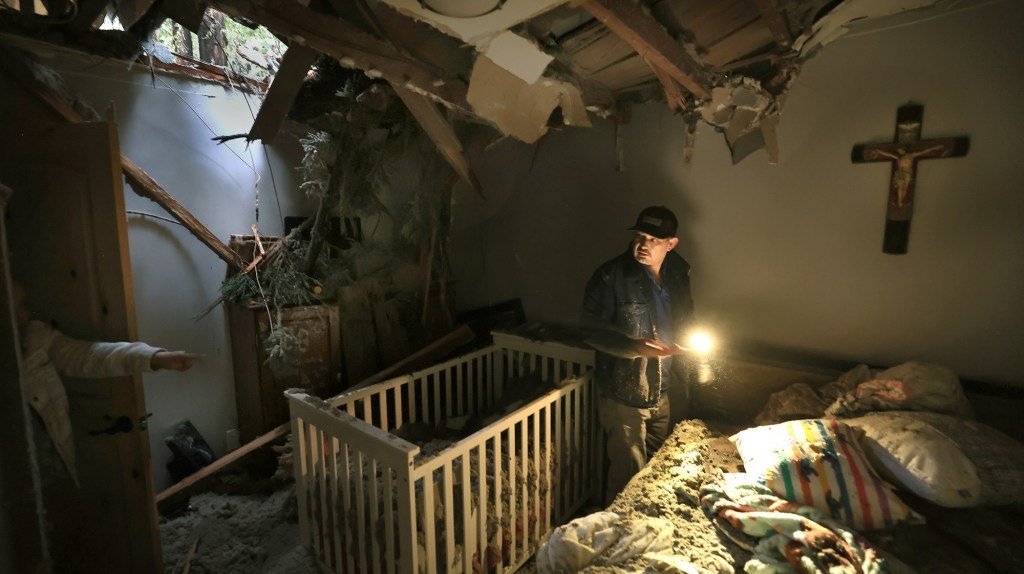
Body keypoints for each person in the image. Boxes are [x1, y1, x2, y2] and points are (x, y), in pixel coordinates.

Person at [14, 282, 198, 485]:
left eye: (25, 305)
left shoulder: (36, 337)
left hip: (56, 469)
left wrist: (155, 358)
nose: (25, 313)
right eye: (19, 306)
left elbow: (91, 356)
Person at [582, 206, 695, 503]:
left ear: (671, 244)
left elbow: (685, 318)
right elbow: (591, 331)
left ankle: (645, 522)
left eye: (654, 240)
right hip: (625, 392)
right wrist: (635, 349)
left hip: (664, 389)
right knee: (627, 475)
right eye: (640, 237)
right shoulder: (611, 276)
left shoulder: (679, 273)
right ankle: (617, 526)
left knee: (657, 469)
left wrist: (689, 341)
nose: (643, 245)